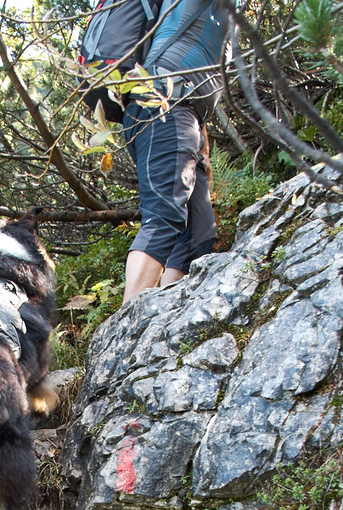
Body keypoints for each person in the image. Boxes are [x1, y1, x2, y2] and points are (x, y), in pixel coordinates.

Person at [122, 0, 231, 303]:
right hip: (163, 104)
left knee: (199, 232)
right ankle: (130, 333)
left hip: (185, 115)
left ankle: (165, 318)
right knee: (163, 217)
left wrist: (202, 146)